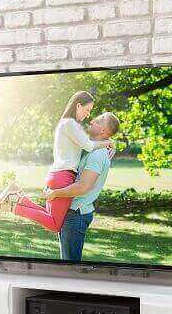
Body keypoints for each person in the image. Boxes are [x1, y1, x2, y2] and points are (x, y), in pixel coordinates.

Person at [0, 91, 114, 232]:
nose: (88, 115)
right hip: (64, 176)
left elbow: (87, 145)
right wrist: (108, 142)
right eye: (87, 110)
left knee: (50, 217)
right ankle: (13, 206)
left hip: (57, 174)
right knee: (54, 224)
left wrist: (106, 144)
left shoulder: (67, 124)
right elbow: (89, 145)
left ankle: (17, 195)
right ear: (78, 106)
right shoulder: (70, 124)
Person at [44, 112, 121, 262]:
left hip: (76, 215)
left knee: (70, 267)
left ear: (104, 131)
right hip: (72, 212)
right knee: (67, 263)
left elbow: (83, 187)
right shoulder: (90, 149)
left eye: (97, 121)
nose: (91, 120)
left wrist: (55, 193)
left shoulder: (97, 155)